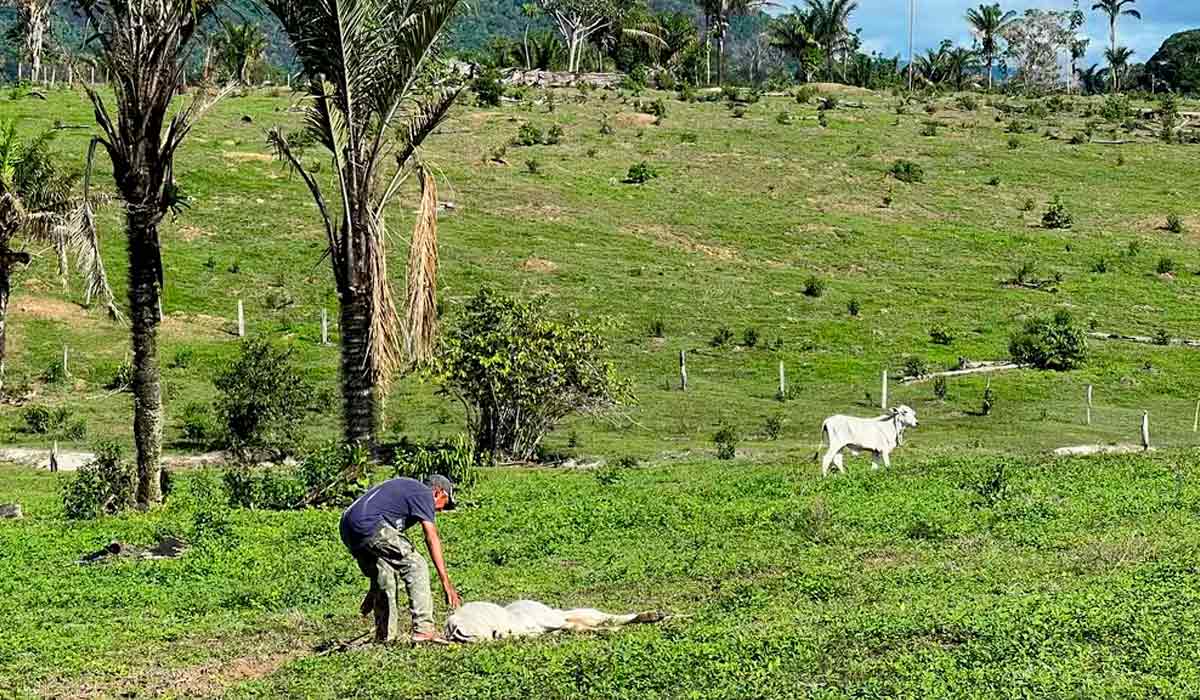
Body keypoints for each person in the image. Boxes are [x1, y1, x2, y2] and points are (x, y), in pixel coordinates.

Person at [339, 474, 462, 643]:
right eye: (444, 503)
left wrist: (374, 589)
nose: (440, 510)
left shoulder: (407, 491)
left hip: (348, 527)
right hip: (370, 524)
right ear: (438, 492)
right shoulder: (424, 494)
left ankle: (384, 637)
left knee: (384, 575)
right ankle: (424, 629)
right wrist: (446, 584)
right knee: (416, 565)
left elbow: (382, 547)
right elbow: (431, 536)